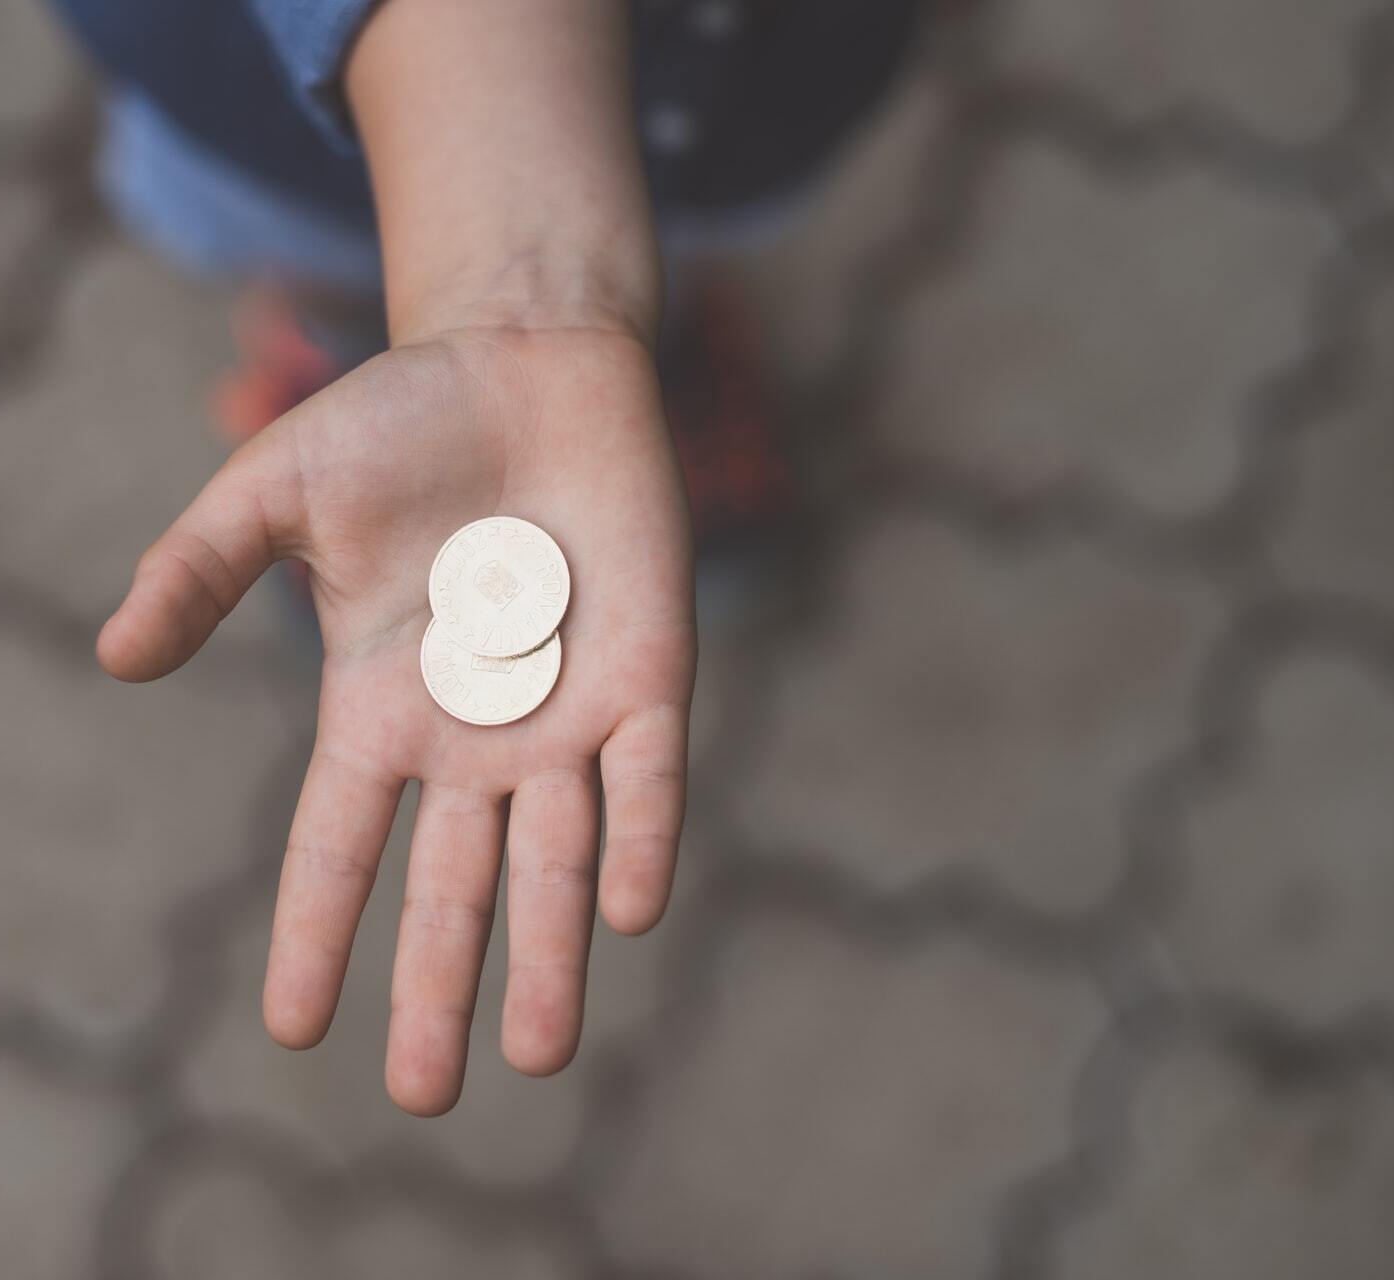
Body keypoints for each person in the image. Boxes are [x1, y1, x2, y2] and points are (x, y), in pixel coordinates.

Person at [49, 0, 920, 1115]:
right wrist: (512, 292)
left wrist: (553, 301)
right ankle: (364, 349)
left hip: (760, 69)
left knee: (679, 236)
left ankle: (640, 345)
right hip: (268, 96)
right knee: (319, 244)